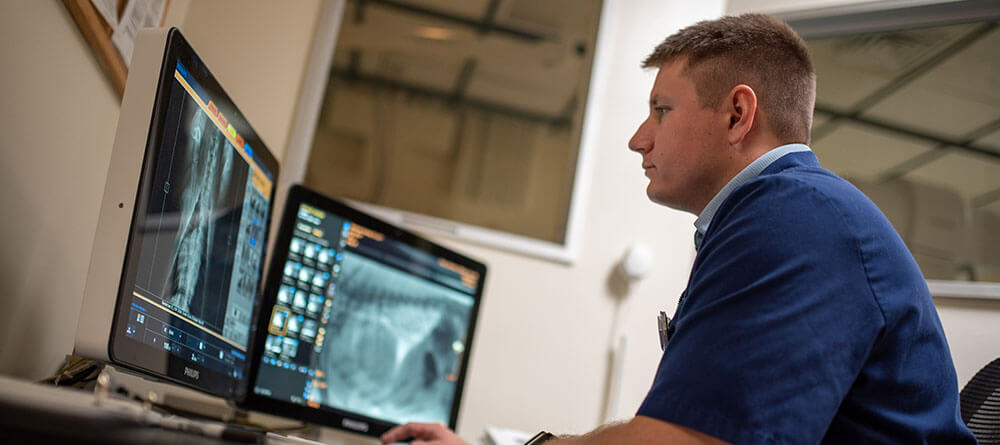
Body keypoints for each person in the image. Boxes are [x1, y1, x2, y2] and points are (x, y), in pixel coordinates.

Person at [380, 13, 976, 444]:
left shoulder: (794, 219)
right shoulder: (787, 213)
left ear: (738, 114)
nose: (639, 138)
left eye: (661, 109)